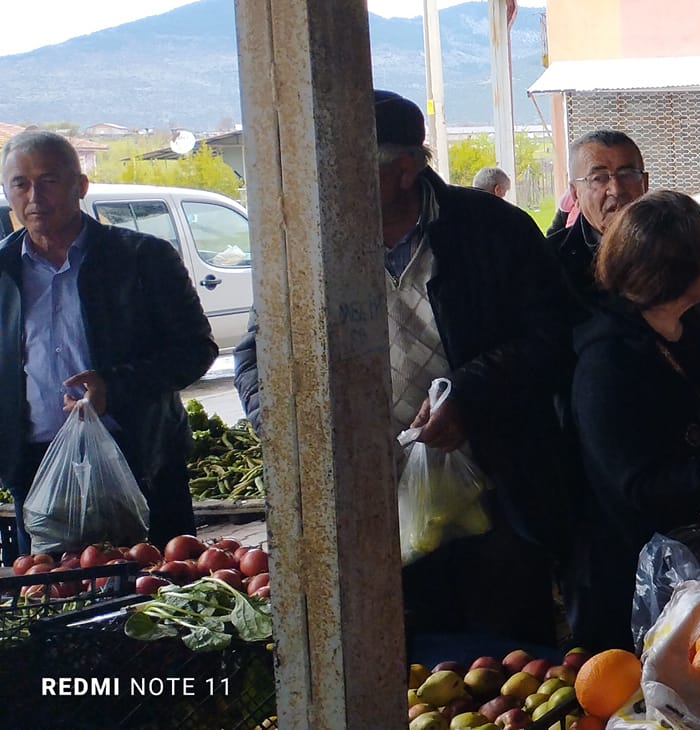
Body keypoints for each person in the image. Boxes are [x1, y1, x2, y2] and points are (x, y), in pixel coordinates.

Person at [234, 90, 579, 644]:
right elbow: (257, 355)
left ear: (403, 170)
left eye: (343, 167)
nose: (326, 184)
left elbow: (554, 339)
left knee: (506, 660)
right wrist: (278, 424)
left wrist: (470, 395)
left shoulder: (494, 231)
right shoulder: (306, 247)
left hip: (491, 491)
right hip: (365, 504)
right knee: (400, 660)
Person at [567, 191, 700, 650]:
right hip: (634, 578)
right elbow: (636, 486)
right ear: (670, 273)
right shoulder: (607, 362)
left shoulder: (697, 328)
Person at [0, 131, 216, 545]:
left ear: (80, 187)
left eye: (49, 181)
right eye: (20, 184)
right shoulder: (4, 270)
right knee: (58, 596)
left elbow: (195, 349)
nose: (34, 197)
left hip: (141, 463)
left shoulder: (142, 259)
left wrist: (114, 387)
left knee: (156, 595)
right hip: (36, 472)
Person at [549, 130, 700, 395]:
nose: (616, 189)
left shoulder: (681, 246)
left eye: (627, 174)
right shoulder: (552, 261)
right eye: (598, 178)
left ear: (645, 183)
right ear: (574, 193)